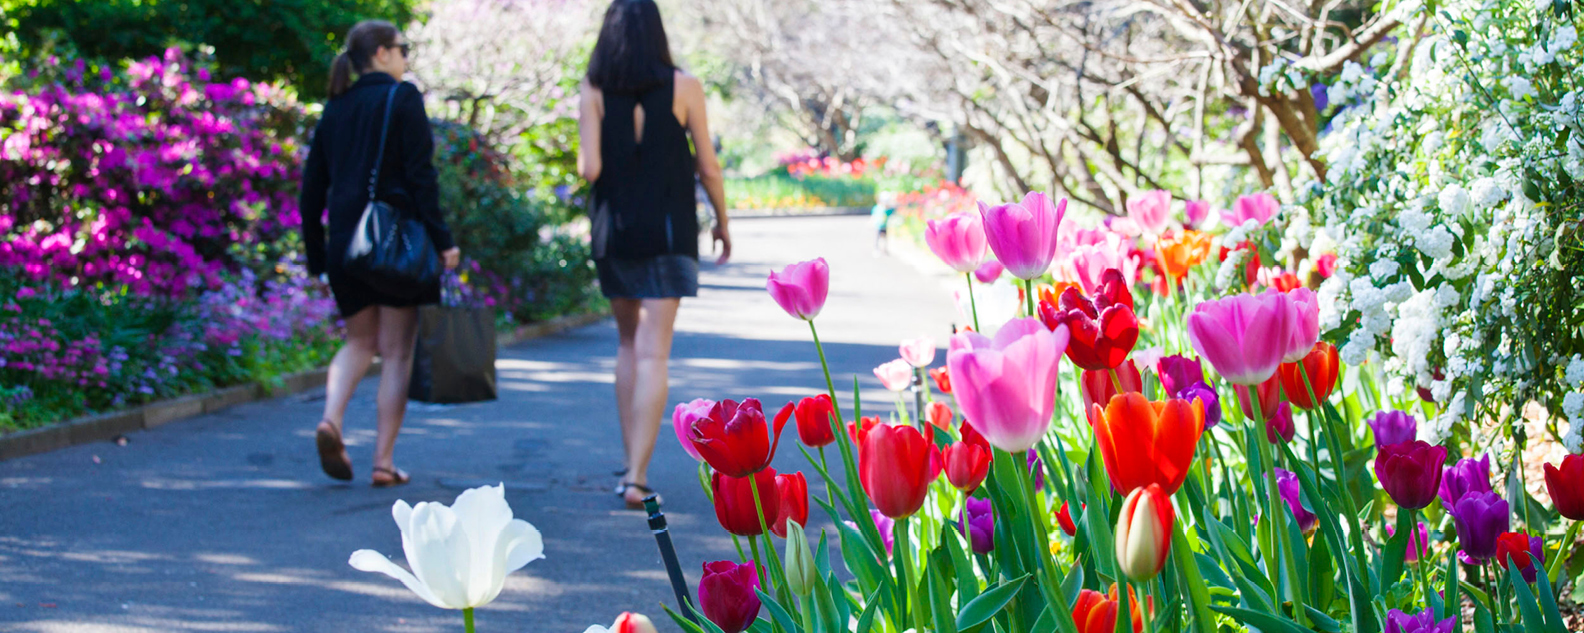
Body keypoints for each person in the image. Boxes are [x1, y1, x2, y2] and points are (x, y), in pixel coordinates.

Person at [578, 0, 730, 508]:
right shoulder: (685, 87)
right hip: (669, 233)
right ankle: (639, 476)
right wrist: (723, 224)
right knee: (654, 353)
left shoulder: (594, 88)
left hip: (616, 232)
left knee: (627, 347)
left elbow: (589, 167)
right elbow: (708, 165)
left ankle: (629, 466)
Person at [299, 20, 460, 487]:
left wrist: (316, 257)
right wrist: (443, 239)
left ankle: (331, 418)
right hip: (395, 247)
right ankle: (383, 462)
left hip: (344, 250)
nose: (406, 59)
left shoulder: (337, 106)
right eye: (402, 49)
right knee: (395, 353)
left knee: (357, 342)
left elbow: (311, 191)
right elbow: (420, 177)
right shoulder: (402, 97)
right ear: (383, 53)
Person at [872, 190, 896, 255]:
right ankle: (876, 248)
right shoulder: (878, 208)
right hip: (878, 225)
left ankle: (884, 249)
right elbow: (874, 215)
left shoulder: (887, 209)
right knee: (877, 238)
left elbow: (893, 210)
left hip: (884, 226)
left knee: (885, 238)